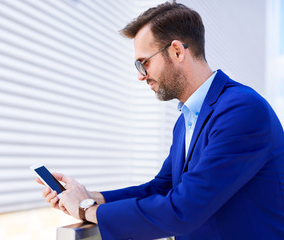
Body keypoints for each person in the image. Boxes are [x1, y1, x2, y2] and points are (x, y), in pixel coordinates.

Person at [36, 2, 284, 239]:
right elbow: (160, 189)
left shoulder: (241, 110)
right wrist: (90, 196)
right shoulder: (186, 120)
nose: (140, 76)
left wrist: (86, 209)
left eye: (143, 63)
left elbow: (183, 209)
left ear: (177, 51)